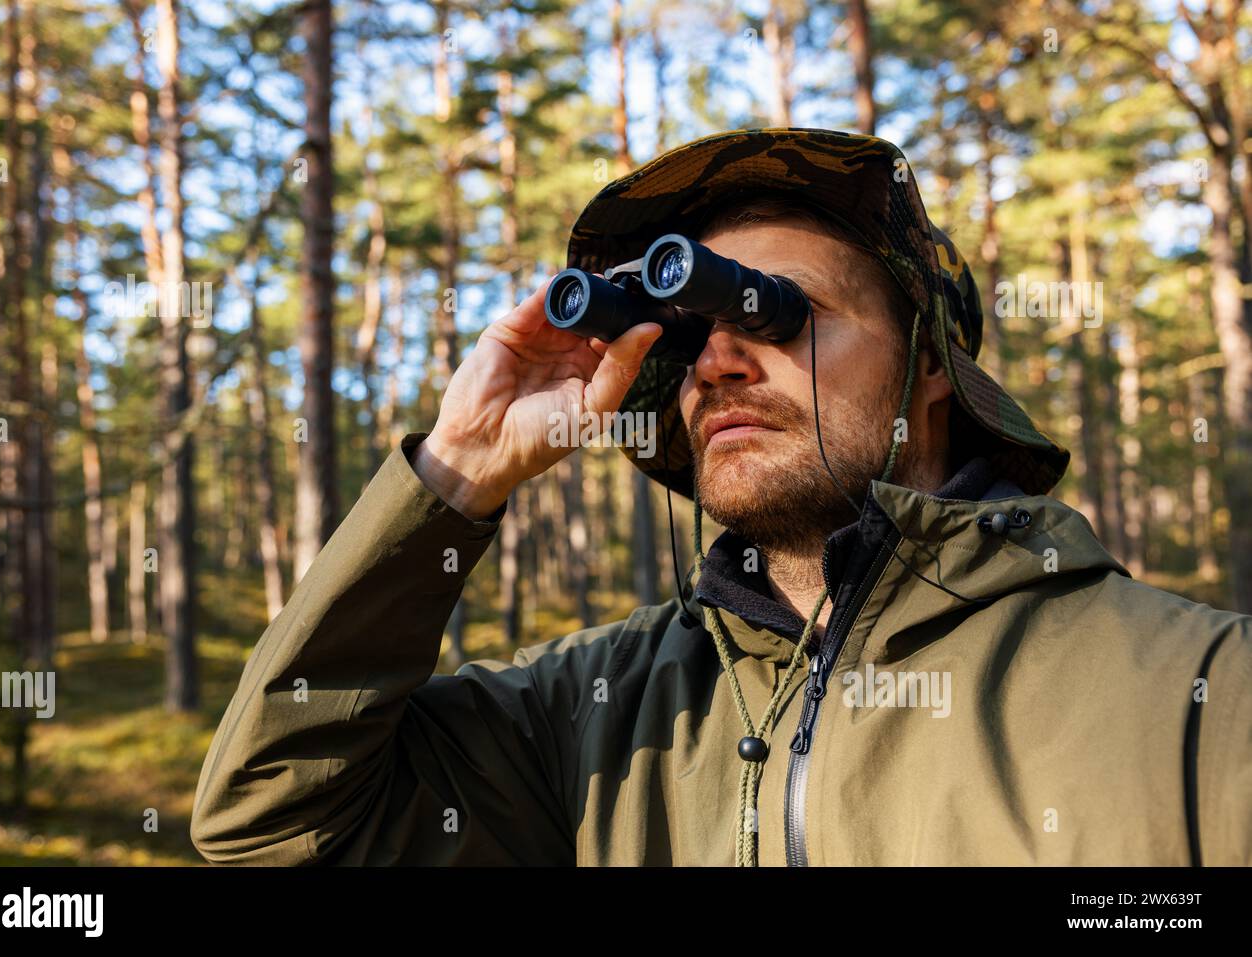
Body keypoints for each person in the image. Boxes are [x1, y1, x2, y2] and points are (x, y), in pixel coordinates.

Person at [190, 128, 1251, 866]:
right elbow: (272, 822)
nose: (717, 366)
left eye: (776, 315)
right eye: (690, 335)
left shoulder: (1199, 698)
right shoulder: (597, 713)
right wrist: (457, 473)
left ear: (930, 366)